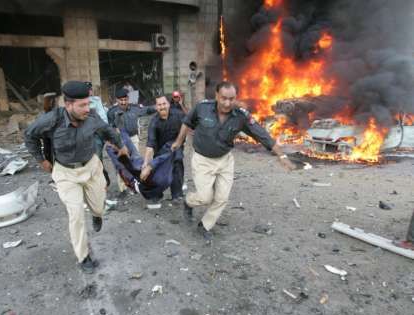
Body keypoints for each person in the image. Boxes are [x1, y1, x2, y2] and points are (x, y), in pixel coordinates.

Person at [24, 80, 128, 273]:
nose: (87, 108)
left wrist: (120, 146)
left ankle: (97, 215)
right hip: (65, 173)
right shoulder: (51, 120)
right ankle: (83, 257)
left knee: (99, 206)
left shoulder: (93, 116)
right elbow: (29, 135)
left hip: (91, 166)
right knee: (76, 215)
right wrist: (41, 160)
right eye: (82, 105)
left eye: (88, 103)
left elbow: (106, 131)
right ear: (68, 104)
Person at [171, 81, 296, 241]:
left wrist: (282, 155)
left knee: (222, 198)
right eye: (223, 98)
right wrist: (178, 141)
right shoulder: (202, 107)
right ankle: (189, 203)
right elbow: (187, 122)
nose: (227, 103)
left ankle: (205, 225)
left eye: (231, 99)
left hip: (224, 161)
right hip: (203, 160)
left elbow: (262, 135)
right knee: (204, 197)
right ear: (216, 95)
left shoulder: (241, 116)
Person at [106, 131, 182, 209]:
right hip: (140, 170)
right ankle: (115, 138)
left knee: (119, 155)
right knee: (121, 151)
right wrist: (148, 165)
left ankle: (114, 140)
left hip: (138, 172)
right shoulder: (162, 179)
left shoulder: (162, 180)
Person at [107, 88, 156, 197]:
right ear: (117, 100)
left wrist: (157, 107)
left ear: (128, 99)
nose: (123, 102)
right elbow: (111, 129)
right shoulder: (111, 112)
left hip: (134, 138)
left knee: (135, 163)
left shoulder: (135, 108)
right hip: (120, 140)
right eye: (121, 100)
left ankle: (134, 184)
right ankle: (123, 189)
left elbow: (147, 110)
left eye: (125, 99)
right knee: (121, 164)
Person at [142, 95, 185, 204]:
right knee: (157, 171)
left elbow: (187, 125)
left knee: (177, 162)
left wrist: (180, 140)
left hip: (176, 146)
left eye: (164, 104)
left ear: (168, 104)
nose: (162, 107)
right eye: (159, 105)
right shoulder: (154, 122)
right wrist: (146, 163)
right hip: (160, 151)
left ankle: (177, 194)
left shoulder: (178, 115)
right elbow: (150, 144)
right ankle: (156, 193)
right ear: (156, 107)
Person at [85, 82, 111, 187]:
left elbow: (103, 116)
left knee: (97, 158)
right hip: (89, 135)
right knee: (92, 159)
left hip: (100, 134)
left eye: (90, 89)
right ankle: (100, 180)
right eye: (87, 90)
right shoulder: (83, 103)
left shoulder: (97, 100)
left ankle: (103, 180)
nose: (89, 91)